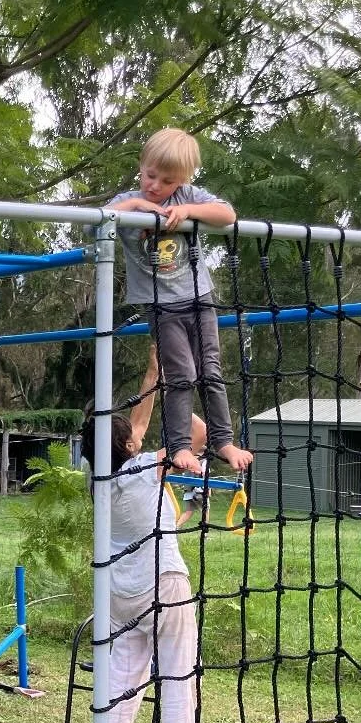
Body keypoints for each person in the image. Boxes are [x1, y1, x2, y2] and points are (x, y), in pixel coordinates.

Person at [84, 346, 200, 723]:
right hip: (165, 585)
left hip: (120, 595)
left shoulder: (101, 476)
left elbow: (130, 431)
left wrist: (154, 371)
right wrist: (178, 385)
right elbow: (197, 434)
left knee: (121, 682)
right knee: (177, 681)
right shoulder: (147, 465)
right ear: (128, 445)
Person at [107, 127, 252, 476]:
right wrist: (140, 207)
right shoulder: (129, 202)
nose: (155, 185)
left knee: (211, 371)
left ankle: (223, 440)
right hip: (162, 305)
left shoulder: (187, 195)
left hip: (200, 298)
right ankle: (180, 446)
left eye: (167, 181)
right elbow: (99, 219)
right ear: (142, 166)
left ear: (184, 179)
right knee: (181, 374)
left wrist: (187, 210)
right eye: (150, 175)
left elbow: (227, 214)